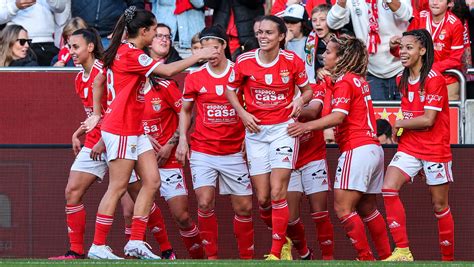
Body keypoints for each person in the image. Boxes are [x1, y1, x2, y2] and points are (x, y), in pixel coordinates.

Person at [82, 6, 217, 260]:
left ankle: (135, 241)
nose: (156, 35)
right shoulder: (132, 54)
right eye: (154, 30)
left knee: (152, 182)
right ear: (143, 31)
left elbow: (98, 81)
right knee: (118, 186)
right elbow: (167, 71)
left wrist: (98, 113)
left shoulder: (121, 51)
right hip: (122, 128)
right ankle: (98, 244)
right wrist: (200, 55)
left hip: (134, 128)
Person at [287, 34, 391, 261]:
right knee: (367, 208)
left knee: (343, 209)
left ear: (342, 57)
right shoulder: (355, 79)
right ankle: (385, 257)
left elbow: (337, 117)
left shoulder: (344, 81)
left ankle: (365, 258)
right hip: (372, 148)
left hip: (357, 147)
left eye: (329, 52)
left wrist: (306, 127)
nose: (324, 56)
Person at [226, 15, 313, 260]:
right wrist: (243, 114)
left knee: (277, 192)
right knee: (263, 199)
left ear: (282, 36)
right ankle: (292, 241)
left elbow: (308, 91)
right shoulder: (244, 61)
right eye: (260, 32)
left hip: (282, 131)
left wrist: (300, 99)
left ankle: (276, 252)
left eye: (269, 33)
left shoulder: (292, 61)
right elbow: (229, 91)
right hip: (255, 133)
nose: (263, 37)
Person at [176, 25, 254, 260]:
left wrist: (249, 139)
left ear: (222, 47)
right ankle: (211, 258)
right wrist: (182, 139)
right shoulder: (195, 76)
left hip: (234, 151)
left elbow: (251, 105)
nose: (209, 50)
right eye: (204, 45)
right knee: (204, 202)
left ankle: (247, 259)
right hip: (203, 149)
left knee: (244, 208)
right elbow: (186, 111)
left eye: (213, 45)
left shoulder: (239, 72)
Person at [382, 29, 454, 262]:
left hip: (435, 149)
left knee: (439, 205)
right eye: (401, 48)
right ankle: (402, 251)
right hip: (410, 147)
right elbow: (411, 113)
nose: (403, 52)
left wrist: (401, 122)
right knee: (388, 188)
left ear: (422, 51)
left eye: (409, 48)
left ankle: (448, 259)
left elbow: (428, 119)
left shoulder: (434, 79)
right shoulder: (401, 78)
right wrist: (402, 130)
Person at [142, 42, 205, 259]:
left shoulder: (165, 86)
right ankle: (166, 253)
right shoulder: (124, 90)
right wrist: (142, 136)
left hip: (167, 160)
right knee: (130, 211)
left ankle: (200, 260)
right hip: (139, 159)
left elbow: (186, 115)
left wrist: (172, 143)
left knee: (182, 216)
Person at [286, 82, 335, 260]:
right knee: (290, 218)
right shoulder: (278, 90)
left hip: (314, 158)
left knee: (319, 211)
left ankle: (328, 259)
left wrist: (282, 110)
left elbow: (314, 112)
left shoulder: (316, 87)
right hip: (288, 161)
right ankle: (305, 253)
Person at [327, 0, 413, 100]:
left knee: (407, 114)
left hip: (402, 69)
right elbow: (333, 24)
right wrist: (341, 3)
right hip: (372, 72)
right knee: (376, 114)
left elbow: (407, 15)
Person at [0, 0, 67, 66]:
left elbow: (61, 8)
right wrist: (16, 6)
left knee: (53, 75)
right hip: (19, 43)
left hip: (48, 43)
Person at [71, 0, 145, 48]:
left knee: (107, 70)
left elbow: (136, 5)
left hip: (111, 36)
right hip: (82, 33)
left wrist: (124, 27)